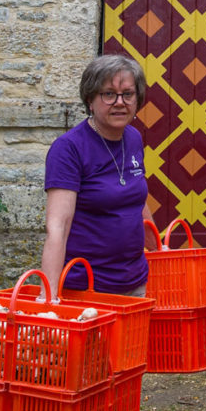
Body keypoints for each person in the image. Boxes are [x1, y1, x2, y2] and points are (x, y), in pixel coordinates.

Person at [40, 54, 158, 301]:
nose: (119, 102)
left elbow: (137, 199)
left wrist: (159, 251)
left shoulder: (133, 138)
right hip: (88, 289)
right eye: (108, 94)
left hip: (136, 282)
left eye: (128, 94)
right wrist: (48, 299)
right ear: (90, 100)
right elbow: (58, 227)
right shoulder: (69, 148)